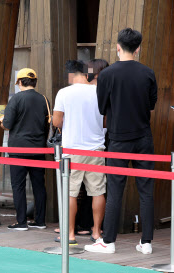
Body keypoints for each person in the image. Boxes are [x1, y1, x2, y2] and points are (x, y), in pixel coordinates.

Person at [86, 28, 157, 255]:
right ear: (138, 48)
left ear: (118, 47)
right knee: (146, 190)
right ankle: (146, 243)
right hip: (144, 137)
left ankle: (108, 241)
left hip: (118, 138)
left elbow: (101, 108)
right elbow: (152, 104)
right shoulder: (148, 73)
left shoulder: (107, 75)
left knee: (115, 190)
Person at [51, 60, 106, 244]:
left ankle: (70, 234)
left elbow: (56, 121)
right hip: (96, 148)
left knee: (71, 192)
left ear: (71, 74)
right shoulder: (99, 91)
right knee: (97, 191)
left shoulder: (64, 93)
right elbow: (105, 120)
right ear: (86, 73)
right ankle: (97, 232)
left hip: (72, 149)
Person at [0, 68, 49, 231]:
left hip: (18, 149)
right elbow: (48, 124)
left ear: (20, 82)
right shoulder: (44, 99)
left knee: (18, 186)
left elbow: (7, 125)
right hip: (39, 150)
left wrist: (2, 121)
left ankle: (21, 222)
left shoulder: (16, 99)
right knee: (39, 186)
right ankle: (40, 221)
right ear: (34, 82)